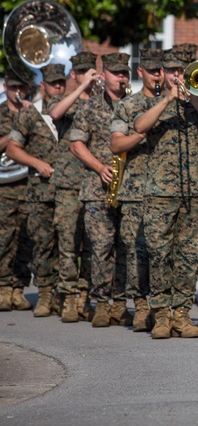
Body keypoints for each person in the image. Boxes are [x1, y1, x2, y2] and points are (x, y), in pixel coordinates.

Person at [130, 45, 198, 339]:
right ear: (163, 73)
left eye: (180, 71)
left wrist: (193, 99)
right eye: (171, 71)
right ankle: (161, 315)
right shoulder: (154, 104)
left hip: (192, 193)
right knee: (159, 255)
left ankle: (182, 314)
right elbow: (140, 126)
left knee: (187, 256)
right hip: (159, 192)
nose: (176, 76)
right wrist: (168, 99)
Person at [67, 54, 133, 327]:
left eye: (125, 73)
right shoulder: (90, 107)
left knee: (125, 246)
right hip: (98, 188)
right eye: (116, 73)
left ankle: (120, 303)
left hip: (130, 188)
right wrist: (98, 167)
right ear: (104, 75)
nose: (121, 78)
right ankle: (101, 303)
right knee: (102, 247)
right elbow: (76, 143)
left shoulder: (135, 106)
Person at [109, 47, 164, 332]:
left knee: (164, 251)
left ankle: (163, 307)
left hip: (167, 190)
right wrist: (141, 132)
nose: (158, 75)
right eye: (152, 70)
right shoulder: (128, 106)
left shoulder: (176, 103)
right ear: (140, 72)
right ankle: (140, 306)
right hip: (135, 189)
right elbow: (117, 145)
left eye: (161, 69)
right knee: (136, 252)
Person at [5, 63, 67, 317]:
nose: (58, 87)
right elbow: (12, 149)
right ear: (44, 86)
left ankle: (65, 297)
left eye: (62, 83)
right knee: (42, 244)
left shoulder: (73, 111)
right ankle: (44, 295)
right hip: (40, 192)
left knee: (68, 246)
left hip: (67, 191)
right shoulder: (31, 115)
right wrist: (36, 163)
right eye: (54, 84)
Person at [48, 52, 99, 322]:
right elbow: (55, 113)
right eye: (81, 72)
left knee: (92, 245)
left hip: (94, 183)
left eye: (90, 71)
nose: (87, 75)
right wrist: (81, 88)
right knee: (68, 244)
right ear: (73, 75)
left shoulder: (101, 103)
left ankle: (84, 296)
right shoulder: (63, 101)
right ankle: (67, 297)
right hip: (68, 183)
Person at [0, 72, 34, 312]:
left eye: (21, 87)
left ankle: (18, 288)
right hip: (4, 184)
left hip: (27, 182)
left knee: (25, 239)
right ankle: (3, 287)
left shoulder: (33, 112)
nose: (18, 92)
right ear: (5, 87)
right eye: (13, 87)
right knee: (4, 238)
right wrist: (14, 133)